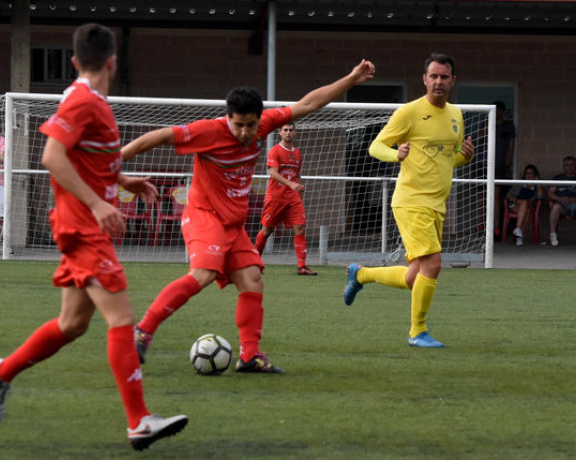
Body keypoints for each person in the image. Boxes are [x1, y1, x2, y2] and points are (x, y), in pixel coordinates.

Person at [0, 23, 188, 450]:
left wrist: (124, 181)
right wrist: (97, 204)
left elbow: (87, 160)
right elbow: (52, 156)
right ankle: (139, 422)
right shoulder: (81, 101)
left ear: (75, 60)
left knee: (73, 324)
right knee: (123, 319)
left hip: (84, 225)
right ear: (113, 61)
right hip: (83, 227)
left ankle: (1, 371)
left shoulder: (93, 103)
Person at [123, 61, 376, 372]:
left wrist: (350, 79)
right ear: (228, 117)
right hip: (204, 215)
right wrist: (116, 160)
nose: (245, 132)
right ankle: (142, 331)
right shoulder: (208, 132)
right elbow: (160, 136)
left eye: (251, 125)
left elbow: (308, 104)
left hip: (233, 223)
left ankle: (249, 356)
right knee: (203, 274)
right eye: (238, 125)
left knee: (252, 279)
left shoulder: (267, 123)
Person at [342, 53, 475, 348]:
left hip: (437, 204)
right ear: (424, 79)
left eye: (444, 77)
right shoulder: (410, 112)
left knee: (415, 277)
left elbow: (446, 160)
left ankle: (361, 274)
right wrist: (395, 154)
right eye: (434, 76)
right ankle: (417, 331)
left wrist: (463, 158)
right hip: (411, 201)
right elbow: (375, 146)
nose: (438, 82)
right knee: (434, 265)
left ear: (453, 81)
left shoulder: (456, 115)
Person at [253, 122, 317, 276]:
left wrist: (299, 190)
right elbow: (273, 173)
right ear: (280, 133)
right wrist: (291, 184)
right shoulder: (274, 151)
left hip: (293, 198)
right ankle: (254, 263)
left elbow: (297, 175)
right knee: (267, 230)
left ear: (295, 133)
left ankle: (302, 266)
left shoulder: (297, 153)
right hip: (276, 197)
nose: (288, 132)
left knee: (300, 228)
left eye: (291, 130)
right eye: (285, 130)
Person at [547, 155, 576, 247]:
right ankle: (553, 235)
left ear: (575, 166)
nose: (570, 167)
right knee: (555, 207)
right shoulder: (558, 178)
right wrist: (562, 199)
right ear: (563, 166)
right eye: (567, 165)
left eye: (572, 165)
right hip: (561, 204)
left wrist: (573, 199)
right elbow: (550, 193)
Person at [491, 100, 516, 237]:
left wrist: (506, 164)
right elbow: (479, 138)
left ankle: (496, 229)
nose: (497, 113)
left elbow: (511, 147)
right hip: (484, 164)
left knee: (496, 196)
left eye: (499, 110)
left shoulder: (508, 127)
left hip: (499, 166)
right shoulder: (487, 124)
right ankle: (480, 226)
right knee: (481, 196)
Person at [506, 163, 543, 246]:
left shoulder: (537, 187)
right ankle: (519, 237)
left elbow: (540, 197)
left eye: (531, 173)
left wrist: (539, 183)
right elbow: (508, 196)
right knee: (526, 211)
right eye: (527, 173)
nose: (529, 175)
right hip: (515, 205)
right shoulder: (520, 184)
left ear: (535, 175)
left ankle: (518, 230)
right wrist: (515, 199)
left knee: (526, 206)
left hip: (529, 206)